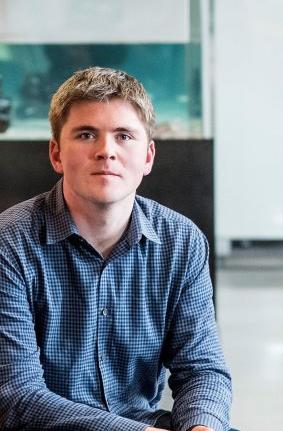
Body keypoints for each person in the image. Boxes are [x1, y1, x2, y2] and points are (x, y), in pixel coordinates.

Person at [0, 67, 232, 431]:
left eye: (124, 136)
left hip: (145, 423)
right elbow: (17, 396)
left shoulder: (182, 242)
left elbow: (202, 368)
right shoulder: (10, 243)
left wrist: (201, 427)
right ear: (56, 154)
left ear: (148, 156)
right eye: (86, 134)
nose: (106, 151)